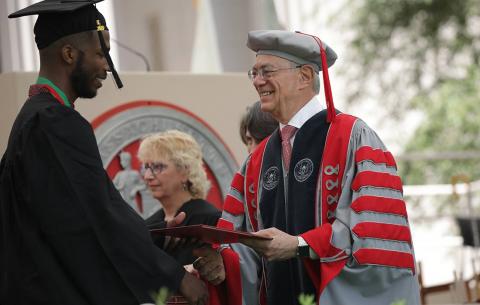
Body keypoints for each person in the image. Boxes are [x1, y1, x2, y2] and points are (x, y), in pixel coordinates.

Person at [0, 1, 207, 305]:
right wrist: (175, 276)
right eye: (100, 53)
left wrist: (153, 233)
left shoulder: (32, 120)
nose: (108, 66)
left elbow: (66, 224)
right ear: (69, 54)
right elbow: (97, 217)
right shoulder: (54, 123)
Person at [194, 30, 420, 305]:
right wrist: (220, 262)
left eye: (267, 71)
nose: (258, 81)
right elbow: (245, 248)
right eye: (253, 73)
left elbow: (373, 238)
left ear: (304, 77)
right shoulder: (256, 161)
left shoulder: (353, 138)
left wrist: (301, 245)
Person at [138, 130, 221, 265]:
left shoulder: (210, 220)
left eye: (158, 167)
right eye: (146, 167)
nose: (147, 176)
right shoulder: (148, 225)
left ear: (185, 171)